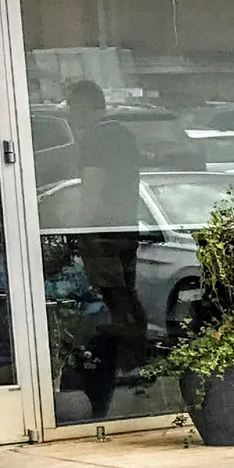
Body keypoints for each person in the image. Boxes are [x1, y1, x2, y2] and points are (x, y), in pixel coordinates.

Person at [61, 79, 145, 419]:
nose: (69, 112)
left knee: (112, 296)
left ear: (85, 105)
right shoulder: (125, 135)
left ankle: (125, 359)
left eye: (72, 105)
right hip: (126, 226)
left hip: (104, 232)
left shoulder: (97, 138)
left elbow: (92, 188)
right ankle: (137, 359)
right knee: (126, 292)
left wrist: (81, 227)